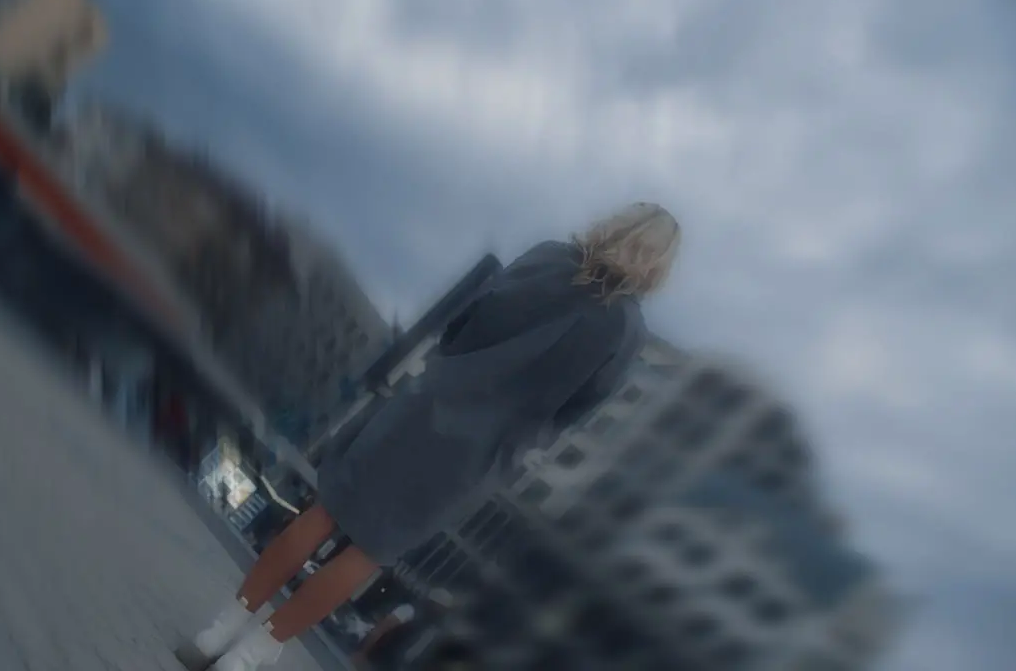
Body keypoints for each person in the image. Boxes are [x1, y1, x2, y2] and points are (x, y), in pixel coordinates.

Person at [175, 202, 681, 671]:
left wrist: (456, 367)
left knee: (324, 514)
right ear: (658, 266)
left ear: (616, 225)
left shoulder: (551, 258)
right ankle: (249, 656)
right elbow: (576, 411)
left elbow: (471, 315)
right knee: (370, 551)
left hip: (428, 406)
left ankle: (218, 633)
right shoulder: (628, 334)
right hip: (478, 457)